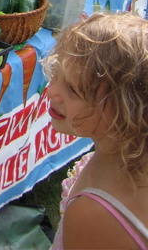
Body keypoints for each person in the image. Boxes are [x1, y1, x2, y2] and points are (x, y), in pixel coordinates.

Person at [46, 13, 148, 250]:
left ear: (128, 109)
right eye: (55, 73)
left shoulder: (93, 215)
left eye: (73, 89)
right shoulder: (125, 151)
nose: (51, 92)